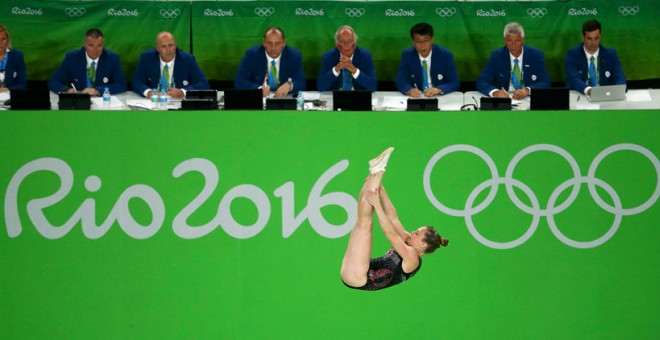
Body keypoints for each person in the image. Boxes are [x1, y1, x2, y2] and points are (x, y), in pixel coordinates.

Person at [340, 147, 449, 291]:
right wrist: (381, 190)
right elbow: (393, 218)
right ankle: (376, 174)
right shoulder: (408, 240)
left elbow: (390, 234)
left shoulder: (412, 259)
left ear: (422, 245)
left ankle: (378, 171)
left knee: (366, 224)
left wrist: (377, 204)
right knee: (362, 221)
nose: (413, 232)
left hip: (360, 278)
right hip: (360, 269)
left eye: (417, 234)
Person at [476, 22, 550, 100]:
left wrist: (527, 90)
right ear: (505, 40)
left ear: (523, 39)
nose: (513, 45)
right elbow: (481, 81)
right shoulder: (496, 56)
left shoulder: (536, 55)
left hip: (528, 99)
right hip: (504, 100)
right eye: (509, 41)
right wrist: (495, 92)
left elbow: (545, 82)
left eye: (517, 41)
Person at [48, 28, 127, 95]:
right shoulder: (72, 58)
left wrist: (98, 91)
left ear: (103, 45)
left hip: (102, 103)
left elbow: (122, 85)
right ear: (84, 45)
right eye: (91, 45)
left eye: (99, 45)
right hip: (78, 104)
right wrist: (67, 90)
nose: (95, 50)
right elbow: (53, 82)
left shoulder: (112, 58)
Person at [132, 31, 210, 99]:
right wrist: (148, 92)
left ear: (175, 46)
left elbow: (203, 83)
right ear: (157, 48)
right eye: (163, 46)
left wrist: (182, 92)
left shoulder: (187, 59)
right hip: (154, 102)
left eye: (171, 45)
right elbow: (136, 82)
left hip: (178, 103)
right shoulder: (147, 58)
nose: (168, 50)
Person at [234, 27, 306, 98]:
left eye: (277, 43)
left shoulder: (294, 56)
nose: (273, 48)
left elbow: (302, 83)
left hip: (283, 99)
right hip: (259, 99)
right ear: (264, 42)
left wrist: (290, 85)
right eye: (269, 43)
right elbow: (239, 81)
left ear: (284, 43)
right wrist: (258, 89)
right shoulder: (252, 54)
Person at [395, 22, 460, 97]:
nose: (422, 45)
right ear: (413, 42)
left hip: (438, 96)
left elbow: (454, 82)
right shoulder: (407, 55)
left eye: (426, 40)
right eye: (418, 41)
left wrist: (438, 89)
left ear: (432, 40)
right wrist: (409, 90)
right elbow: (400, 80)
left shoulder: (445, 55)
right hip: (416, 97)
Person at [564, 20, 626, 96]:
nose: (593, 43)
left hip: (605, 97)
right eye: (589, 39)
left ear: (600, 36)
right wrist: (589, 90)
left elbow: (620, 78)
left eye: (596, 38)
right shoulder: (573, 54)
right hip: (581, 95)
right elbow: (573, 78)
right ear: (583, 37)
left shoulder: (610, 54)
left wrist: (617, 91)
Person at [317, 25, 376, 92]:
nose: (346, 45)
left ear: (355, 43)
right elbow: (320, 87)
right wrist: (336, 69)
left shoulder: (365, 56)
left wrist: (354, 70)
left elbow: (373, 86)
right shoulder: (328, 57)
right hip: (336, 98)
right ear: (337, 44)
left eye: (350, 41)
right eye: (342, 41)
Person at [0, 24, 27, 92]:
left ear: (7, 40)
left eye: (3, 39)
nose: (0, 43)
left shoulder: (17, 56)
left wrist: (7, 89)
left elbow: (22, 84)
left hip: (8, 97)